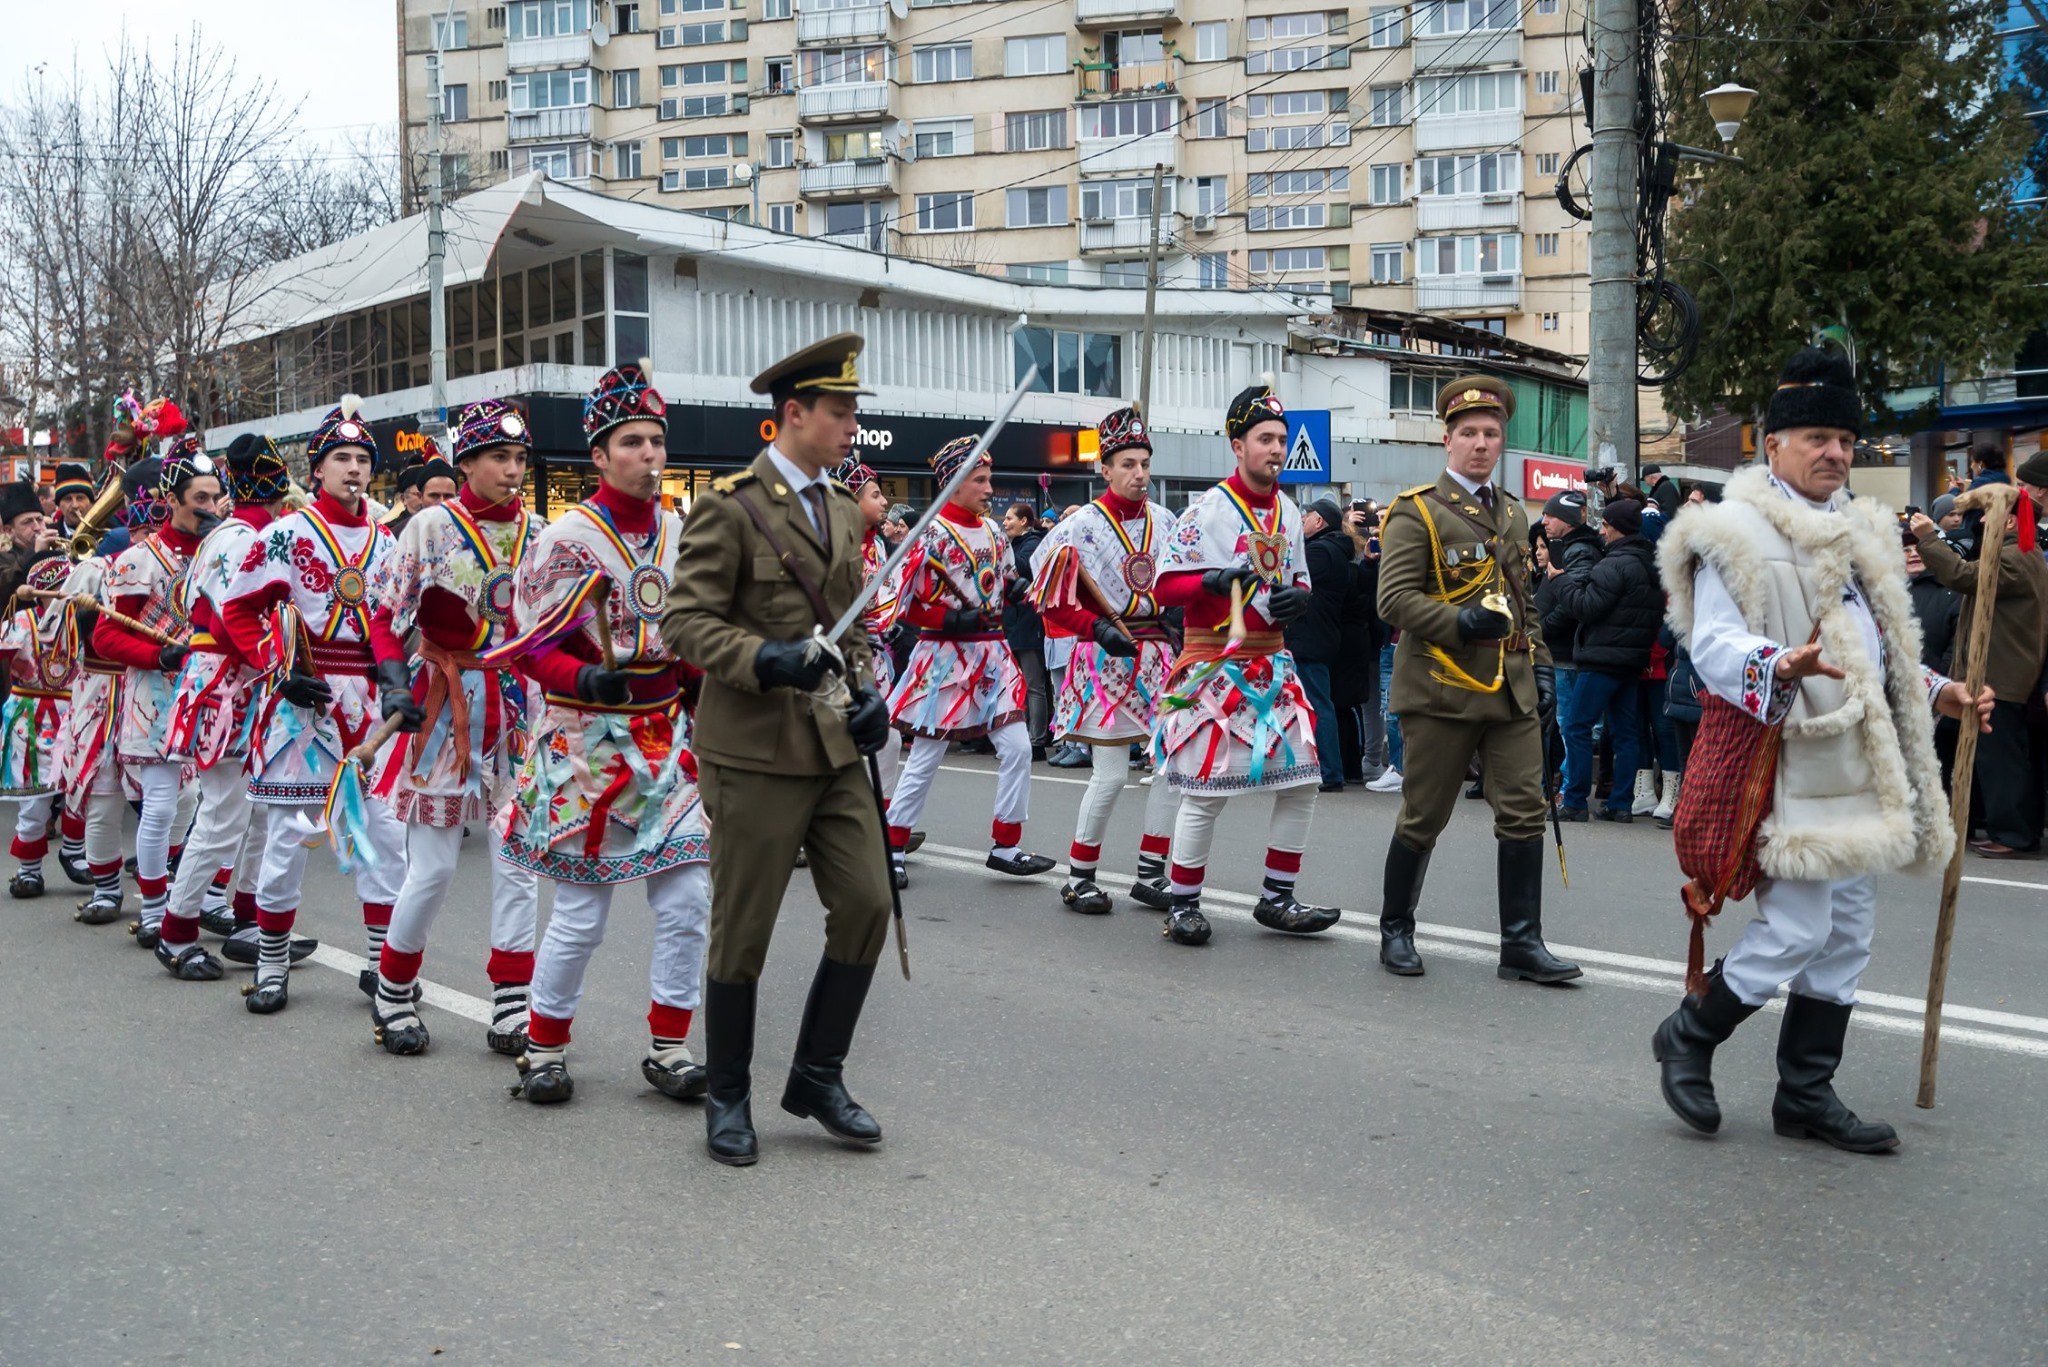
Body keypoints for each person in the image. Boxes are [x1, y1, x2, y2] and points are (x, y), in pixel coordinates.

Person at [1653, 345, 1992, 1154]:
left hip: (1854, 762)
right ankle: (1689, 1033)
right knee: (1799, 928)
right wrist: (1780, 664)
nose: (1835, 453)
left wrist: (1937, 687)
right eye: (1816, 438)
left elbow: (1875, 646)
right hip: (1782, 758)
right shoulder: (1729, 530)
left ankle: (1805, 1090)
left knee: (1846, 932)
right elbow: (1713, 644)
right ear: (1772, 445)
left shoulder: (1858, 529)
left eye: (1844, 440)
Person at [662, 333, 896, 1166]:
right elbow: (685, 622)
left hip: (833, 746)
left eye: (854, 413)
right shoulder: (727, 505)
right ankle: (728, 1095)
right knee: (743, 929)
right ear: (793, 414)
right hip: (754, 749)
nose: (852, 427)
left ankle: (817, 1076)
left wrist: (870, 698)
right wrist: (764, 659)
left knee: (869, 901)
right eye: (840, 412)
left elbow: (853, 622)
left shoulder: (839, 507)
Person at [493, 363, 711, 1105]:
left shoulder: (683, 531)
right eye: (633, 442)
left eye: (657, 440)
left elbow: (692, 634)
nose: (650, 455)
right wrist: (581, 678)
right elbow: (529, 644)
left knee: (687, 899)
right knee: (583, 912)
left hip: (665, 738)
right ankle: (544, 1044)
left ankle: (671, 1043)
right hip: (587, 742)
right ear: (600, 455)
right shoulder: (567, 537)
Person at [1375, 376, 1579, 983]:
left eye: (1492, 433)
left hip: (1511, 688)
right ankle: (1395, 929)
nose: (1482, 444)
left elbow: (1527, 603)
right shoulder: (1418, 511)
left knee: (1523, 811)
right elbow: (1394, 601)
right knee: (1424, 814)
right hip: (1441, 687)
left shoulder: (1514, 513)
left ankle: (1521, 944)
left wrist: (1542, 670)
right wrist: (1460, 620)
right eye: (1469, 433)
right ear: (1447, 439)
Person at [362, 398, 546, 1056]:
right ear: (467, 461)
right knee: (434, 868)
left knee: (519, 862)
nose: (513, 469)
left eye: (521, 458)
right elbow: (386, 614)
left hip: (517, 709)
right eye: (500, 456)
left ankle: (511, 1004)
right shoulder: (431, 527)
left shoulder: (540, 531)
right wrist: (390, 680)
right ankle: (392, 988)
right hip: (444, 701)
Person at [220, 397, 408, 1014]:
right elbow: (238, 610)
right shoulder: (285, 535)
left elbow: (402, 622)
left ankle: (384, 966)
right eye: (341, 459)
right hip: (304, 700)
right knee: (289, 839)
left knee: (384, 837)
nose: (353, 469)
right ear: (317, 469)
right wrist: (279, 667)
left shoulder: (389, 543)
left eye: (362, 459)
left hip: (373, 707)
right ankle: (271, 966)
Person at [1149, 381, 1338, 946]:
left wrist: (1300, 598)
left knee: (1303, 781)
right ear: (1238, 444)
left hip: (1274, 667)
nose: (1276, 450)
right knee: (1206, 791)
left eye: (1281, 439)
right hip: (1213, 663)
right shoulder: (1207, 508)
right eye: (1265, 439)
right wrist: (1208, 580)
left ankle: (1278, 897)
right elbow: (1163, 584)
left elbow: (1299, 580)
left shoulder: (1287, 508)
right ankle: (1182, 902)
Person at [1027, 404, 1181, 914]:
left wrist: (1179, 618)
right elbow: (1048, 595)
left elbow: (1181, 583)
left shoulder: (1167, 520)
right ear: (1105, 468)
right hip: (1103, 657)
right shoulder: (1080, 527)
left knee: (1169, 768)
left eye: (1145, 463)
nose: (1140, 474)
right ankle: (1081, 876)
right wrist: (1093, 627)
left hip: (1158, 657)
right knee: (1111, 775)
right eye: (1128, 464)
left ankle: (1151, 873)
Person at [882, 435, 1054, 886]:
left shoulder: (996, 531)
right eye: (979, 480)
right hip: (944, 657)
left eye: (989, 478)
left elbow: (1005, 581)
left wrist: (1016, 591)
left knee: (1018, 748)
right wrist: (951, 619)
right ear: (954, 483)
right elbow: (905, 604)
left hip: (993, 656)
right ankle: (893, 846)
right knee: (927, 754)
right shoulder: (931, 534)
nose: (989, 488)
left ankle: (1006, 845)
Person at [159, 433, 303, 969]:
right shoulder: (244, 538)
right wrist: (280, 665)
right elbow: (230, 618)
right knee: (223, 814)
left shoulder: (242, 533)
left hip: (243, 683)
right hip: (227, 688)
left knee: (261, 812)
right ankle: (175, 934)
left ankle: (249, 920)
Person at [96, 443, 216, 974]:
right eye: (199, 498)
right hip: (154, 697)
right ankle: (151, 910)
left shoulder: (220, 552)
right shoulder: (137, 561)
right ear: (172, 500)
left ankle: (193, 900)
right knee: (164, 804)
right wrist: (157, 653)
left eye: (216, 496)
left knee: (197, 806)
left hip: (208, 695)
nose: (210, 507)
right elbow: (105, 637)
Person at [1909, 487, 2048, 857]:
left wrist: (1929, 538)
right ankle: (2004, 827)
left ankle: (2013, 834)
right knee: (1997, 755)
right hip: (1998, 671)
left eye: (1991, 514)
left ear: (2013, 519)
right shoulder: (2017, 552)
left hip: (2001, 673)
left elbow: (1963, 576)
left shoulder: (2017, 556)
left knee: (2001, 759)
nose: (1983, 521)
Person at [1553, 497, 1661, 822]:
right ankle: (1621, 804)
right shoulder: (1649, 564)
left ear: (1617, 530)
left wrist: (1559, 581)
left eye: (1606, 525)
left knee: (1576, 726)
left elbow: (1586, 606)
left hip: (1602, 660)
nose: (1602, 531)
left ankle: (1574, 801)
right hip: (1632, 662)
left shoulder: (1613, 564)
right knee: (1627, 734)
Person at [0, 555, 79, 899]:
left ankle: (75, 853)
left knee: (83, 790)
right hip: (29, 715)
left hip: (75, 714)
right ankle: (28, 871)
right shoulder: (20, 619)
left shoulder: (82, 623)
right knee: (34, 801)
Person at [835, 450, 906, 803]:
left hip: (871, 657)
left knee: (888, 736)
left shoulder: (876, 546)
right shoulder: (832, 547)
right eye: (875, 495)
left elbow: (884, 597)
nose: (884, 501)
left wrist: (887, 624)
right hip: (836, 660)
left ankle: (884, 818)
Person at [1286, 497, 1354, 793]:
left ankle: (1329, 772)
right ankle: (1317, 767)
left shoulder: (1319, 552)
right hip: (1320, 635)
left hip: (1309, 637)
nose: (1302, 520)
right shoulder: (1335, 550)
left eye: (1307, 515)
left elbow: (1288, 578)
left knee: (1317, 704)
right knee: (1315, 702)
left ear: (1320, 522)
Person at [1000, 500, 1051, 758]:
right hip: (1014, 624)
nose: (1005, 523)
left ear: (1024, 521)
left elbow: (1021, 568)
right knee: (1017, 684)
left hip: (1029, 624)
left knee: (1034, 684)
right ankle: (1019, 737)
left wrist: (1001, 550)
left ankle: (1038, 740)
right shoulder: (1015, 544)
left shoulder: (1032, 544)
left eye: (1010, 518)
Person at [50, 464, 94, 538]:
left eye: (80, 498)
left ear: (91, 502)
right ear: (59, 505)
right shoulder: (49, 534)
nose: (75, 505)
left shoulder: (109, 532)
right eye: (68, 499)